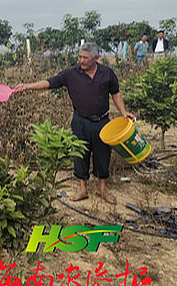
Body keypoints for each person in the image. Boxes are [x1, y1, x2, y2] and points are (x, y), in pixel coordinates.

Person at [15, 42, 135, 204]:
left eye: (85, 57)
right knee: (80, 154)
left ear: (96, 58)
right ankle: (83, 189)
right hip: (80, 121)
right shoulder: (70, 74)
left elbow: (116, 94)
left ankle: (102, 189)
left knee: (103, 155)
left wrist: (123, 112)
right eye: (80, 57)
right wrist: (27, 86)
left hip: (103, 122)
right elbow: (49, 82)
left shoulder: (107, 73)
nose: (81, 60)